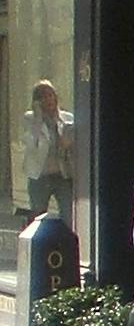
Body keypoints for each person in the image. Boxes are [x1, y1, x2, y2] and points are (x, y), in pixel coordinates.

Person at [22, 80, 73, 224]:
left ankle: (66, 243)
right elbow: (32, 144)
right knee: (38, 216)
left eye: (51, 95)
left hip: (62, 175)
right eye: (43, 97)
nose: (48, 100)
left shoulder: (66, 118)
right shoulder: (30, 119)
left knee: (68, 214)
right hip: (40, 176)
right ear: (37, 101)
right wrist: (38, 118)